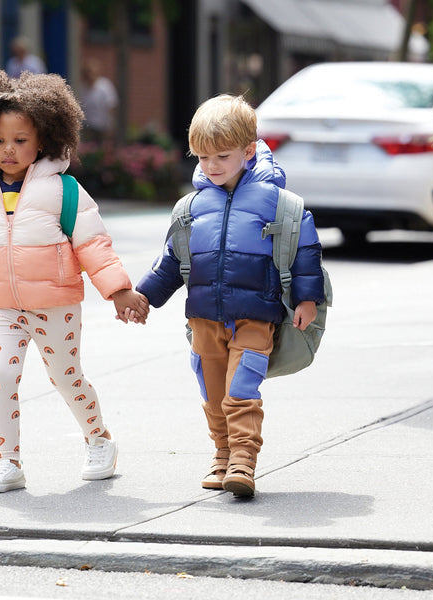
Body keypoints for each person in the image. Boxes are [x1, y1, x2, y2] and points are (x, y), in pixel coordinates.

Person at [0, 64, 149, 494]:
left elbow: (94, 244)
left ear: (43, 139)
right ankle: (7, 462)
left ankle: (99, 439)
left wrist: (118, 291)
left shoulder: (65, 191)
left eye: (20, 140)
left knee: (66, 377)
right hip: (3, 308)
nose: (8, 149)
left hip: (55, 306)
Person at [135, 94, 325, 498]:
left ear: (249, 150)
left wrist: (308, 299)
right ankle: (221, 454)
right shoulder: (192, 207)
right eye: (203, 158)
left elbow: (306, 251)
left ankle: (243, 460)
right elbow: (172, 259)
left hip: (256, 315)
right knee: (213, 391)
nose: (211, 165)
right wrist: (144, 297)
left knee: (242, 389)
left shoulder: (279, 204)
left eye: (222, 155)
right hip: (204, 318)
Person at [79, 58, 118, 144]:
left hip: (101, 127)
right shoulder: (82, 88)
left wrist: (110, 125)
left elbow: (111, 107)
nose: (90, 75)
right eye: (88, 72)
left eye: (92, 72)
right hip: (86, 126)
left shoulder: (105, 86)